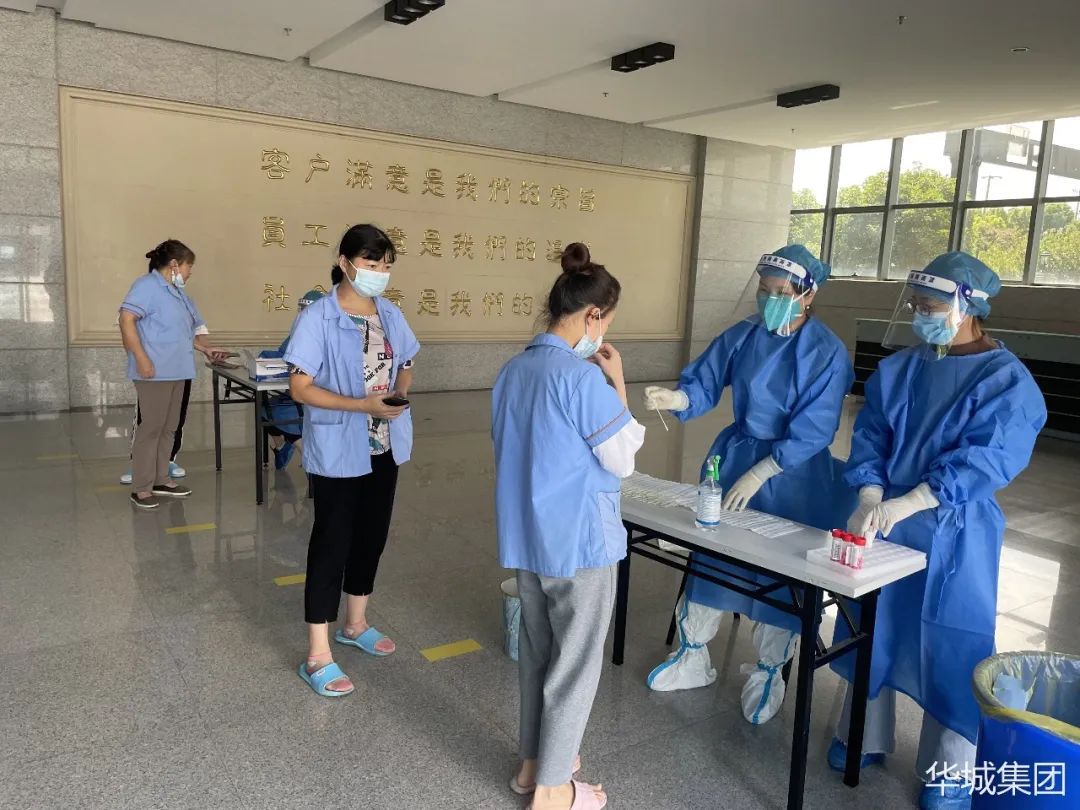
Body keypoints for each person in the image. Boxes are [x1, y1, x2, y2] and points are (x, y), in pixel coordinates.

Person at [828, 252, 1047, 810]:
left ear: (966, 306)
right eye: (916, 305)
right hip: (887, 521)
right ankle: (861, 734)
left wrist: (918, 499)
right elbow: (873, 432)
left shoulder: (1006, 381)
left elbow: (989, 456)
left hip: (956, 527)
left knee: (954, 638)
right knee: (873, 623)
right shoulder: (902, 368)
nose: (920, 315)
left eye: (929, 306)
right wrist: (871, 492)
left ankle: (950, 765)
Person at [642, 244, 855, 726]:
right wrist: (678, 398)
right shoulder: (745, 334)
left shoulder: (826, 353)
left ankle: (768, 671)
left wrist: (765, 469)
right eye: (763, 290)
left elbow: (816, 427)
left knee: (780, 574)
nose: (769, 300)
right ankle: (693, 654)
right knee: (712, 554)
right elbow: (707, 378)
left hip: (795, 475)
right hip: (737, 455)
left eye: (780, 292)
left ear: (807, 295)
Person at [493, 242, 645, 810]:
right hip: (580, 540)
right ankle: (554, 789)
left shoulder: (513, 371)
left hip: (528, 537)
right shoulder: (581, 380)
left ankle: (533, 765)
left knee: (538, 654)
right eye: (607, 322)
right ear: (593, 316)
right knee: (575, 663)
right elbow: (622, 456)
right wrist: (618, 382)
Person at [284, 225, 419, 697]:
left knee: (371, 535)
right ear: (344, 263)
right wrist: (362, 405)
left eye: (386, 265)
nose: (380, 273)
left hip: (385, 443)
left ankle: (356, 624)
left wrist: (397, 392)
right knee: (332, 542)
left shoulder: (390, 313)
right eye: (371, 263)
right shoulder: (318, 317)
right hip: (339, 446)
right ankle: (318, 654)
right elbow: (299, 388)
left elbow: (407, 360)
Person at [119, 239, 229, 509]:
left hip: (177, 370)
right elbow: (126, 319)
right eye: (189, 266)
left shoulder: (177, 294)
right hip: (155, 371)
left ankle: (160, 479)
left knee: (169, 428)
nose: (191, 272)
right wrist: (141, 358)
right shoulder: (147, 286)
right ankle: (142, 487)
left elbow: (182, 333)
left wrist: (205, 349)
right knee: (151, 428)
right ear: (174, 265)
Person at [267, 287, 325, 470]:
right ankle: (282, 446)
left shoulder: (323, 335)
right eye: (302, 309)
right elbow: (283, 355)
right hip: (296, 392)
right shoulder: (299, 332)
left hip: (315, 396)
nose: (303, 314)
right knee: (266, 407)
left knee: (275, 413)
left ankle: (308, 457)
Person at [119, 381, 190, 484]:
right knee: (147, 415)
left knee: (176, 414)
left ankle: (167, 461)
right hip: (154, 374)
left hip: (182, 372)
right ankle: (139, 465)